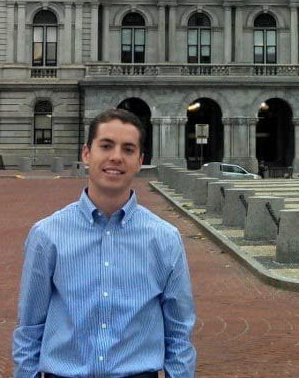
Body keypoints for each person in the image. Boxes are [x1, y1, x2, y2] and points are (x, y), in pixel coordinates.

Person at [12, 108, 196, 378]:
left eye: (128, 149)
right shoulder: (47, 235)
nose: (116, 157)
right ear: (87, 154)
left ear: (140, 160)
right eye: (106, 146)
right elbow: (29, 328)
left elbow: (179, 333)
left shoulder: (165, 239)